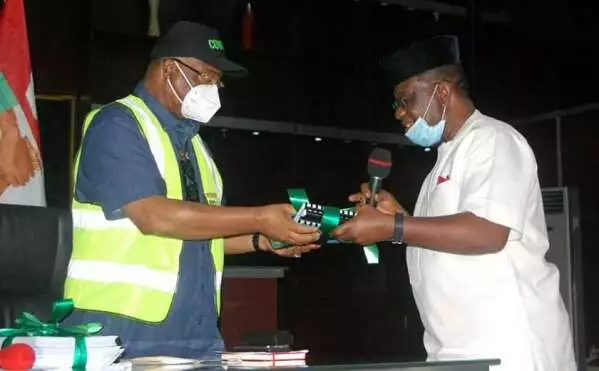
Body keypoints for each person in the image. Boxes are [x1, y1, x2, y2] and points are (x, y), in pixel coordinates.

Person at [63, 21, 320, 360]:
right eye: (206, 77)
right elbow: (153, 216)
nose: (213, 89)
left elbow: (199, 238)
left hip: (195, 333)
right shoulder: (117, 124)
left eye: (217, 82)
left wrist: (264, 239)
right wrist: (260, 217)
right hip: (118, 333)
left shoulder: (195, 145)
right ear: (169, 68)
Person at [333, 35, 576, 370]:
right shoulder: (444, 161)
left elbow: (487, 233)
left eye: (406, 99)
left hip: (510, 347)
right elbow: (443, 239)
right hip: (454, 351)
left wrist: (394, 226)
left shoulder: (493, 140)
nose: (401, 113)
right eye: (396, 105)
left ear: (443, 91)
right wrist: (396, 219)